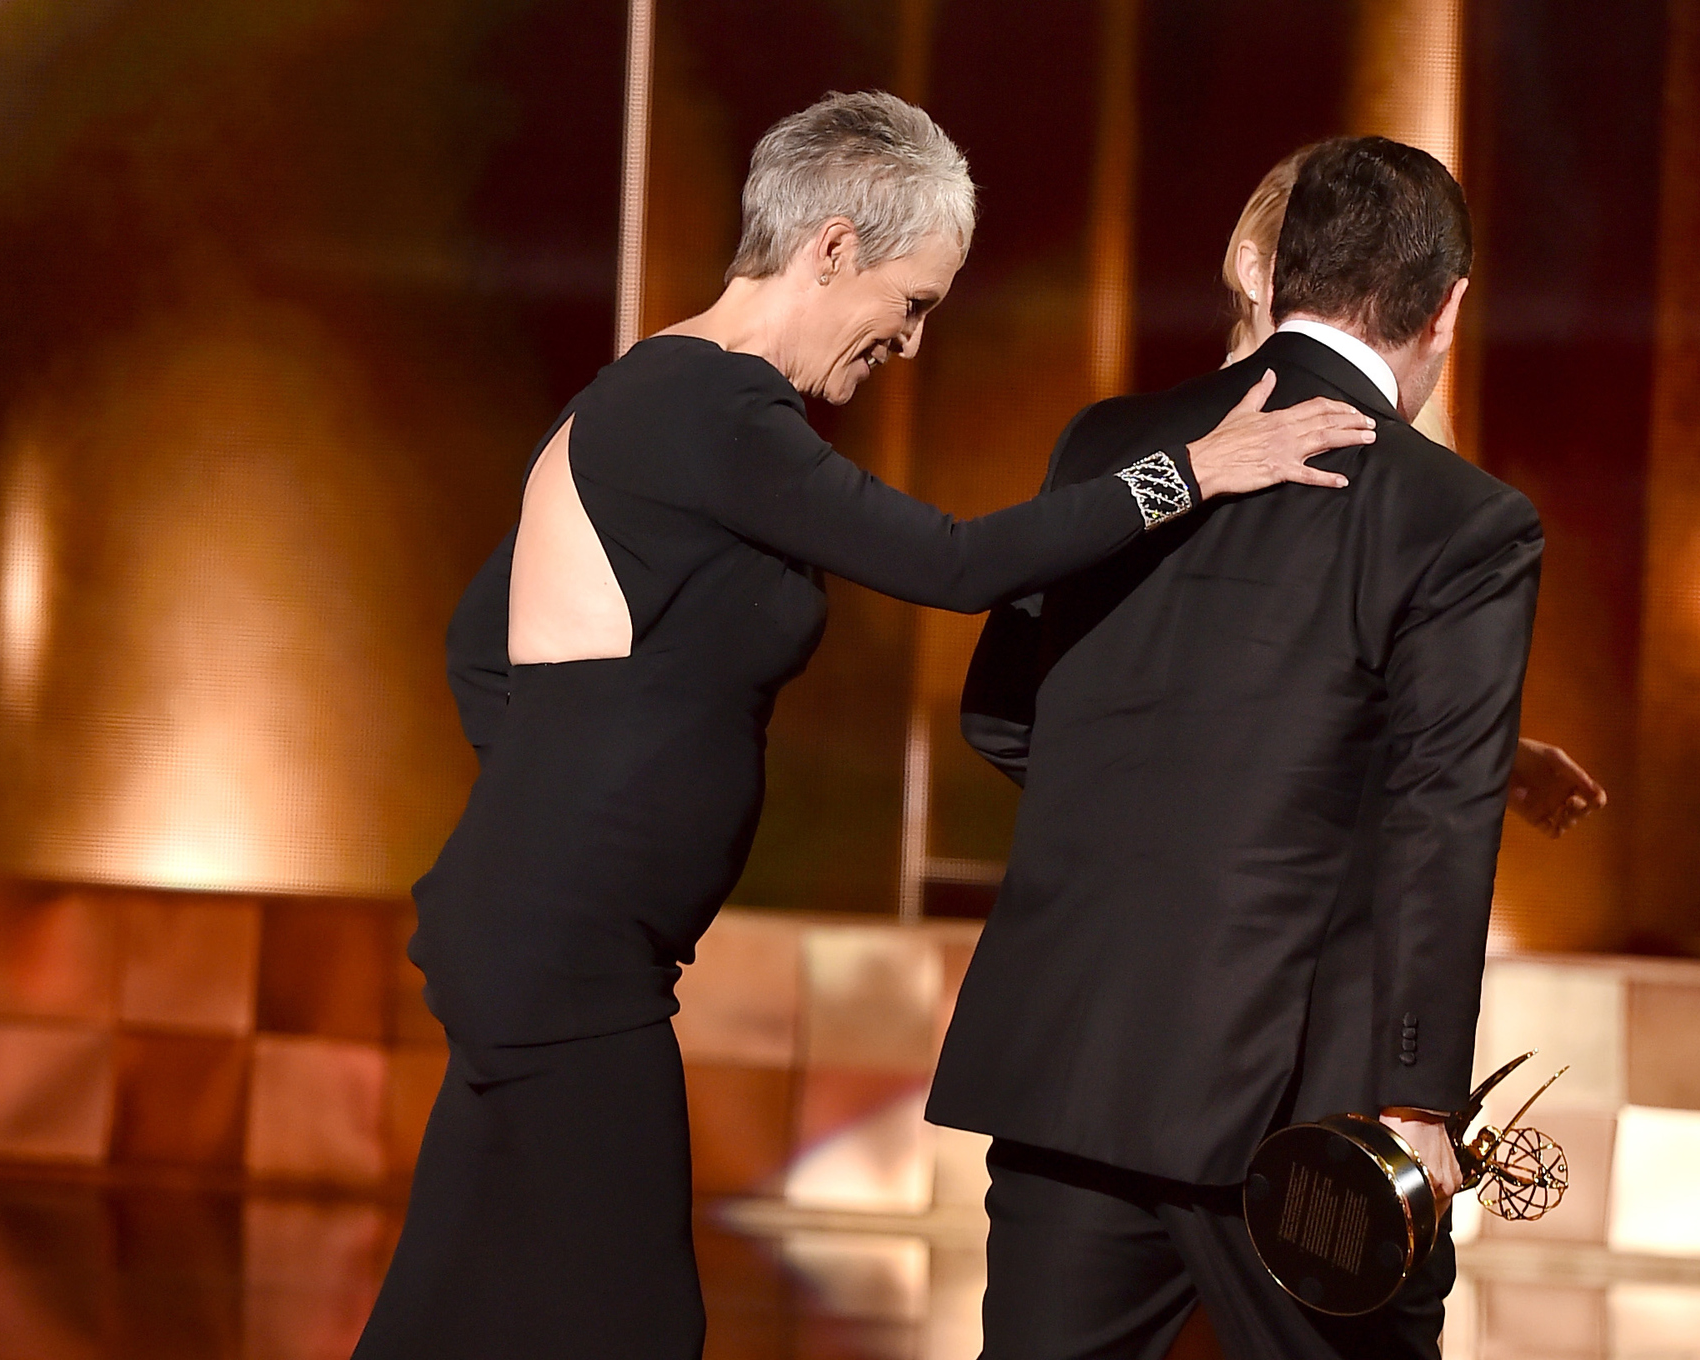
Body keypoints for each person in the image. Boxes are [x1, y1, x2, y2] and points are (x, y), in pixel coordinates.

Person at [351, 92, 1376, 1360]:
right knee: (631, 1325)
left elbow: (477, 648)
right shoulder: (705, 405)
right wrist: (1190, 471)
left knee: (448, 1312)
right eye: (914, 300)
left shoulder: (652, 400)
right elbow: (952, 562)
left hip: (541, 931)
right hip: (563, 953)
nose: (910, 338)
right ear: (833, 246)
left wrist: (567, 812)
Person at [928, 136, 1543, 1360]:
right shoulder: (1462, 523)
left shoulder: (1108, 444)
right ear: (1449, 309)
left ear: (1279, 270)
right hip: (1297, 1113)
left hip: (1072, 1065)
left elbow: (1003, 712)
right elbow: (1438, 819)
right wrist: (1419, 1102)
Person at [1222, 148, 1606, 839]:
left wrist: (1483, 752)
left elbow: (1354, 676)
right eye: (1314, 266)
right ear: (1257, 272)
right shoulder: (1188, 447)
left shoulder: (1409, 429)